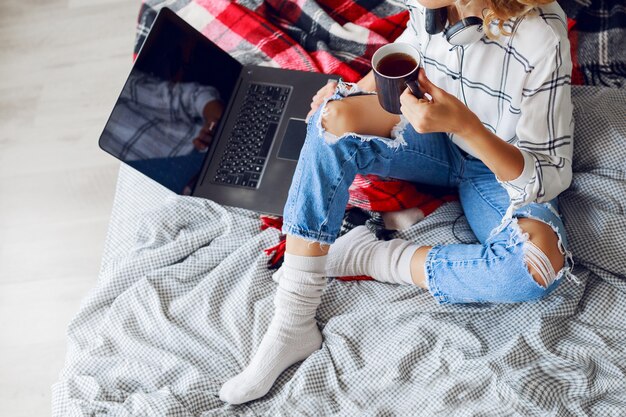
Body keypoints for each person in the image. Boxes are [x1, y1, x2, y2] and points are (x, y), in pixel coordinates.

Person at [219, 0, 577, 404]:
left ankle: (367, 256)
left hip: (495, 166)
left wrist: (466, 127)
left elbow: (550, 174)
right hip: (434, 141)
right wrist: (351, 97)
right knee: (331, 120)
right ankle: (292, 320)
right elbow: (413, 49)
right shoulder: (430, 6)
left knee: (534, 270)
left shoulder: (541, 36)